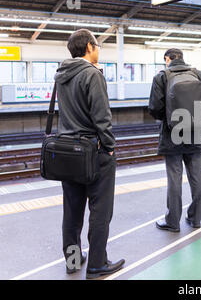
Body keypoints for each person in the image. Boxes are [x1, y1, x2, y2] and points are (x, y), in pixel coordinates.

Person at [54, 29, 125, 279]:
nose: (98, 49)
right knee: (100, 210)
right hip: (93, 152)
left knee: (72, 211)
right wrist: (110, 146)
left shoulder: (61, 74)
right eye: (97, 45)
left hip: (67, 152)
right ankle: (97, 264)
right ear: (88, 47)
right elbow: (102, 117)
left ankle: (73, 261)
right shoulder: (92, 74)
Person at [149, 48, 201, 232]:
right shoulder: (199, 75)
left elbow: (154, 107)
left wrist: (170, 118)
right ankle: (196, 218)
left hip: (172, 135)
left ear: (167, 59)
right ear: (183, 59)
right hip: (195, 134)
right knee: (197, 178)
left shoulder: (162, 77)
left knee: (174, 180)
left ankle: (173, 222)